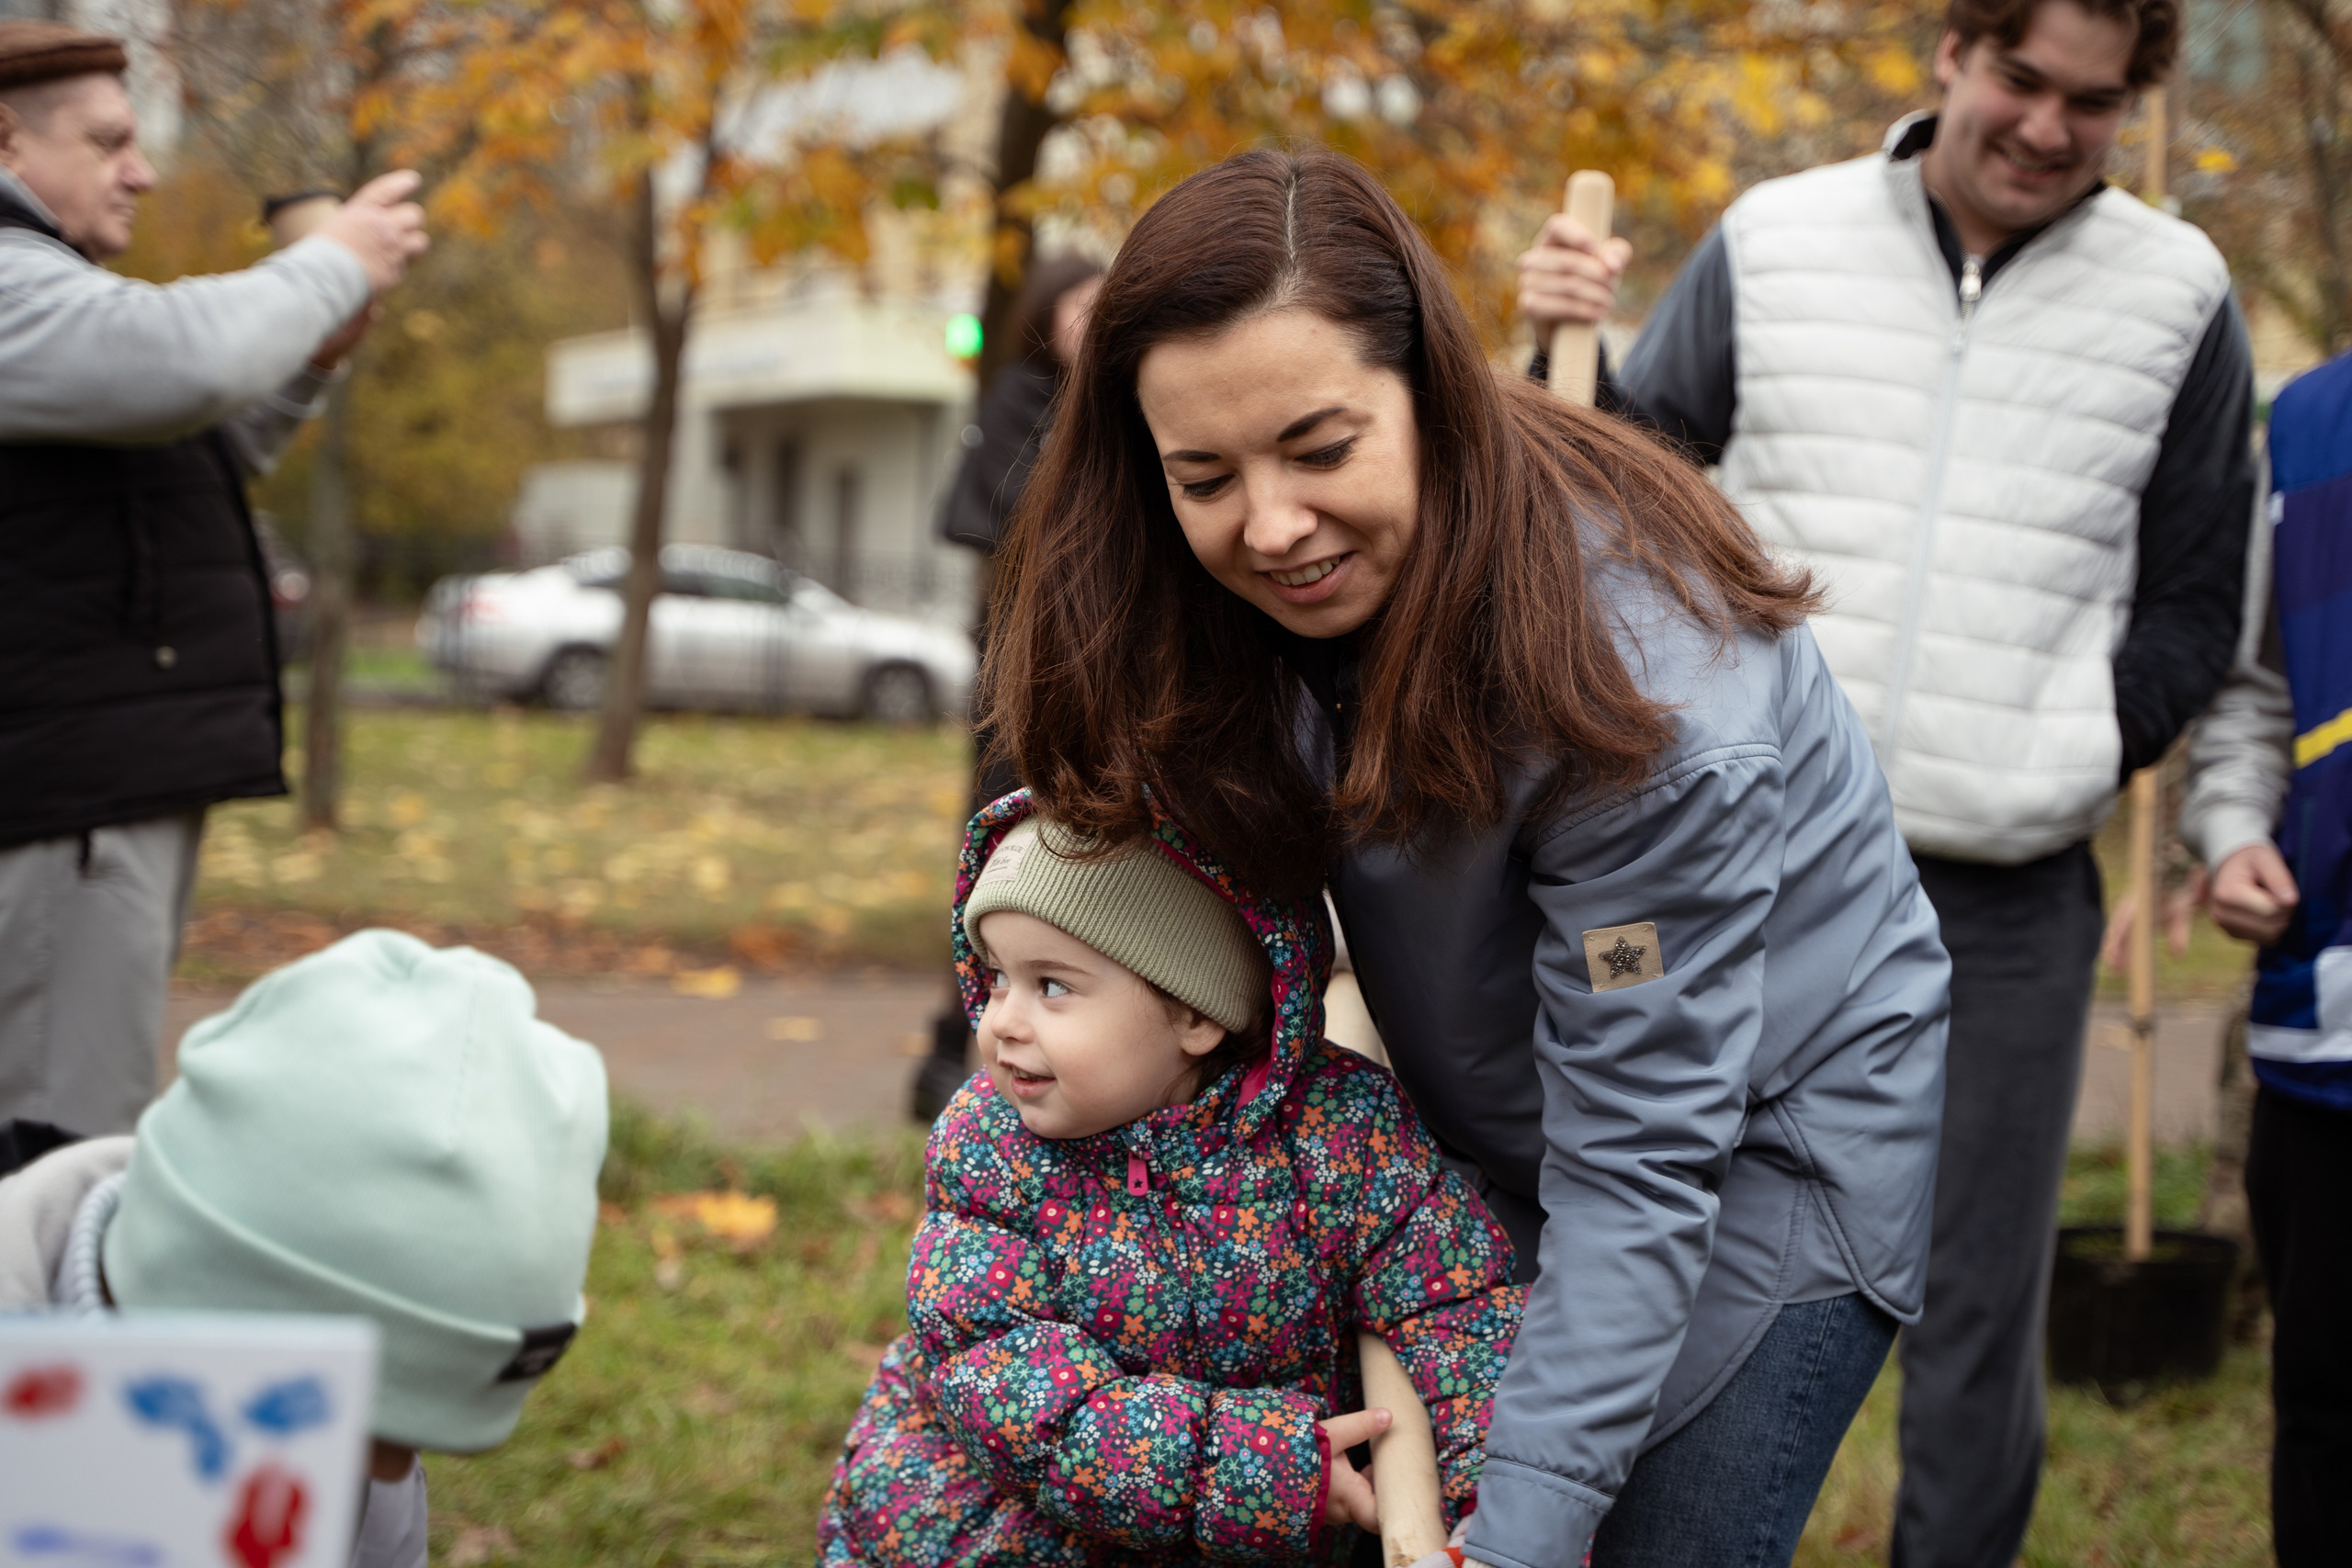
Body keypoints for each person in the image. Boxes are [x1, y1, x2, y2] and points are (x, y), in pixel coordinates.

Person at [984, 147, 1951, 1568]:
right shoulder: (1220, 587)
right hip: (1486, 1117)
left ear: (1432, 389)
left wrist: (1518, 1537)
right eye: (1206, 475)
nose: (1271, 524)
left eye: (1321, 450)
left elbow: (1640, 1159)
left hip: (1758, 1146)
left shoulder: (1655, 704)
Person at [1516, 0, 2255, 1559]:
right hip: (1736, 869)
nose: (2050, 127)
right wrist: (1546, 350)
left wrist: (2065, 744)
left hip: (2006, 895)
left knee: (1980, 1310)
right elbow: (1608, 492)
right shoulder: (1776, 240)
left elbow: (2201, 602)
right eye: (2023, 78)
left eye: (2096, 101)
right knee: (1640, 1239)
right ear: (1952, 54)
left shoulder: (2178, 292)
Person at [822, 795, 1523, 1563]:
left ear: (1195, 1013)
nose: (1000, 1024)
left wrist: (1491, 1518)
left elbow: (1458, 1317)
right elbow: (1022, 1402)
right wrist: (1276, 1471)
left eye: (1051, 985)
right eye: (996, 979)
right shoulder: (990, 1148)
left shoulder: (1342, 1130)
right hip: (995, 1529)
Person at [0, 18, 429, 1139]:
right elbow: (181, 358)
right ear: (5, 140)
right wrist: (336, 257)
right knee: (50, 1141)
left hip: (82, 791)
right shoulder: (13, 287)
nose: (139, 169)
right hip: (58, 797)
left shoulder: (51, 296)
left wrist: (311, 355)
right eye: (106, 141)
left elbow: (205, 436)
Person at [0, 930, 609, 1568]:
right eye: (376, 1424)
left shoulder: (361, 1464)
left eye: (416, 1428)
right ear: (217, 1292)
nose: (393, 1469)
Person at [2175, 351, 2352, 1567]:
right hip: (2326, 1041)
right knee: (2329, 1421)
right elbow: (2255, 687)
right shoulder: (2308, 421)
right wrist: (2234, 827)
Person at [910, 254, 1105, 1121]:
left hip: (1105, 671)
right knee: (998, 847)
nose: (1090, 325)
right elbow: (997, 511)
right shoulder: (1019, 403)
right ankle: (953, 1047)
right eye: (1076, 308)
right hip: (1024, 675)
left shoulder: (1119, 406)